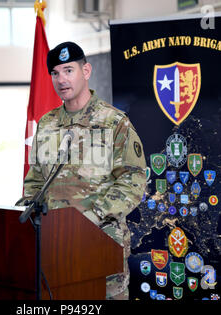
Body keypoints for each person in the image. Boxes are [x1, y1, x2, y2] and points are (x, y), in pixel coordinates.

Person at [16, 41, 146, 300]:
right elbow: (35, 181)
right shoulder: (47, 123)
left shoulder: (114, 122)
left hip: (101, 243)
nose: (61, 79)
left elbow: (133, 180)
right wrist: (26, 214)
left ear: (86, 71)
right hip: (56, 245)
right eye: (55, 73)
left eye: (68, 70)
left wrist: (92, 217)